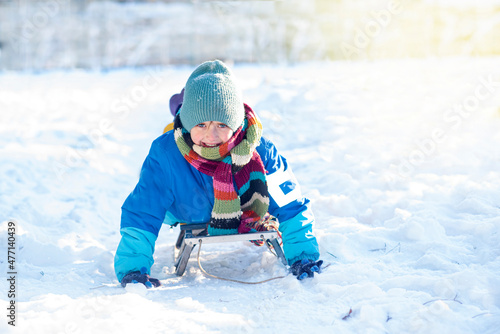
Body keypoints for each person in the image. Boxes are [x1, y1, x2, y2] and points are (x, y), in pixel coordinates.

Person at [115, 60, 322, 288]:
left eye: (222, 125)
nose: (211, 136)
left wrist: (303, 256)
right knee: (178, 145)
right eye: (201, 124)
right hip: (184, 207)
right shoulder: (165, 154)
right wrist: (132, 269)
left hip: (243, 206)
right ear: (188, 123)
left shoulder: (260, 150)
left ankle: (190, 108)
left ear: (236, 123)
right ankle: (182, 107)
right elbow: (142, 211)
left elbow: (291, 204)